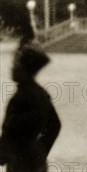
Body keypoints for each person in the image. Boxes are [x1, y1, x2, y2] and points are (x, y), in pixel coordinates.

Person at [0, 44, 61, 172]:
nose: (12, 68)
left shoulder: (23, 96)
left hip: (22, 161)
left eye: (16, 65)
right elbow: (55, 124)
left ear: (24, 70)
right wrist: (41, 149)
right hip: (33, 159)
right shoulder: (39, 93)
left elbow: (12, 131)